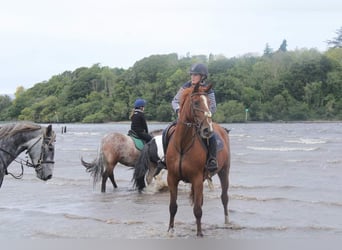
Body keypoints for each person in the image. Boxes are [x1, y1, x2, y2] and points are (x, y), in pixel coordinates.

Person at [171, 63, 218, 172]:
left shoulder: (208, 90)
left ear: (202, 77)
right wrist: (178, 110)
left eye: (195, 75)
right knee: (167, 132)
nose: (192, 77)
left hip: (201, 120)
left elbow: (213, 107)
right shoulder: (185, 86)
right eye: (192, 75)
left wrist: (204, 115)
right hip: (184, 119)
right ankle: (164, 159)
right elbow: (174, 101)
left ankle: (212, 159)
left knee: (211, 135)